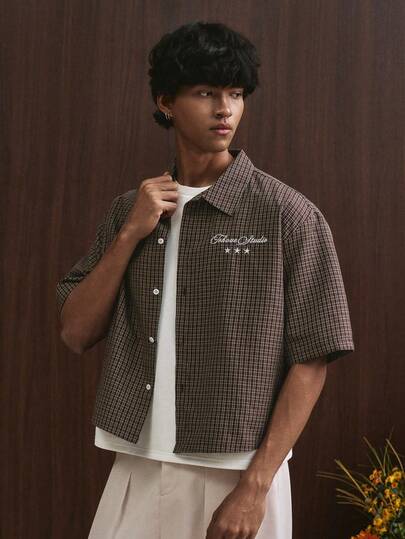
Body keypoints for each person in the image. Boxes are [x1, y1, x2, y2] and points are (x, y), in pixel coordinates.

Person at [56, 21, 355, 539]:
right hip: (138, 462)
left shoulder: (288, 214)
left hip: (238, 472)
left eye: (235, 94)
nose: (225, 109)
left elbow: (313, 359)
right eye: (205, 93)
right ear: (166, 102)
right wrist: (130, 234)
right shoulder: (130, 210)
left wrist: (255, 487)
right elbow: (75, 332)